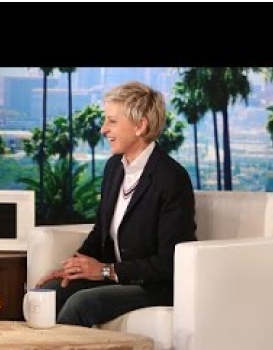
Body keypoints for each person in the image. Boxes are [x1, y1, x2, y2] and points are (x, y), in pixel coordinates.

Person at [34, 80, 197, 327]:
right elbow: (101, 231)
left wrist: (105, 271)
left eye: (112, 121)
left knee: (82, 303)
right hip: (118, 278)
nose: (103, 129)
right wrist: (72, 267)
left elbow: (168, 262)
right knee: (49, 292)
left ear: (140, 126)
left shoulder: (171, 178)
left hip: (156, 286)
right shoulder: (114, 168)